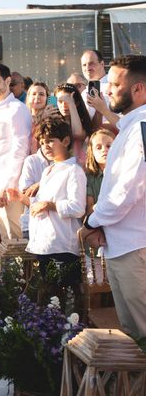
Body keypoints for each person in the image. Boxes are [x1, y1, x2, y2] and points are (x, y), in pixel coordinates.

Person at [79, 55, 146, 339]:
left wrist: (92, 221)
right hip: (122, 245)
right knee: (133, 334)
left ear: (139, 89)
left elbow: (126, 190)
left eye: (116, 85)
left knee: (142, 333)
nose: (107, 90)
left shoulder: (142, 127)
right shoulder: (131, 125)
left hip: (135, 246)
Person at [8, 119, 86, 287]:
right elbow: (39, 204)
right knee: (50, 295)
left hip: (62, 244)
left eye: (51, 140)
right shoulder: (48, 170)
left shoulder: (74, 170)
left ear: (65, 141)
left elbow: (78, 207)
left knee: (65, 296)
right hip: (44, 243)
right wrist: (20, 198)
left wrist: (51, 205)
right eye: (42, 142)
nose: (46, 146)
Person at [0, 63, 32, 241]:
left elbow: (20, 150)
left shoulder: (17, 109)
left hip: (9, 189)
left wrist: (7, 186)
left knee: (16, 241)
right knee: (6, 243)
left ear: (7, 80)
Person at [80, 49, 120, 131]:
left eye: (91, 63)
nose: (87, 68)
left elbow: (123, 119)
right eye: (84, 65)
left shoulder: (115, 85)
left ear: (102, 64)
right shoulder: (84, 93)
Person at [54, 83, 93, 165]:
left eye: (67, 101)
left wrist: (71, 104)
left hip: (78, 166)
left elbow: (77, 133)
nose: (64, 105)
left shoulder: (83, 121)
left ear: (77, 102)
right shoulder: (54, 121)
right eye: (60, 101)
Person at [83, 129, 115, 215]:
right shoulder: (88, 177)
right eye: (98, 147)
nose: (104, 150)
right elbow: (89, 211)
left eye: (109, 146)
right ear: (92, 152)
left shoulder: (125, 172)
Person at [26, 81, 61, 154]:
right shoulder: (23, 116)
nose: (37, 97)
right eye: (34, 94)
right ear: (28, 97)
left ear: (47, 98)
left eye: (41, 94)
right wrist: (42, 117)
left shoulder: (52, 117)